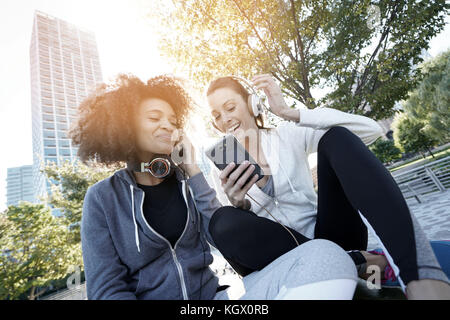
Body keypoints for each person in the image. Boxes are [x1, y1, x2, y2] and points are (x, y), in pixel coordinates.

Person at [69, 73, 359, 300]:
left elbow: (221, 230)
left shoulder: (188, 181)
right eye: (155, 118)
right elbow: (106, 290)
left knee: (328, 256)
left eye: (173, 120)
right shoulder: (102, 199)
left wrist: (193, 170)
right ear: (125, 127)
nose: (168, 126)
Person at [205, 74, 450, 299]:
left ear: (251, 103)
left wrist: (288, 112)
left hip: (335, 237)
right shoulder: (224, 170)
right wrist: (240, 205)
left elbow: (370, 130)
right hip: (287, 261)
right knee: (222, 220)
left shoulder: (288, 135)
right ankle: (356, 262)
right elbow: (237, 240)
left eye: (230, 107)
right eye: (216, 115)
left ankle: (420, 276)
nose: (225, 119)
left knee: (336, 138)